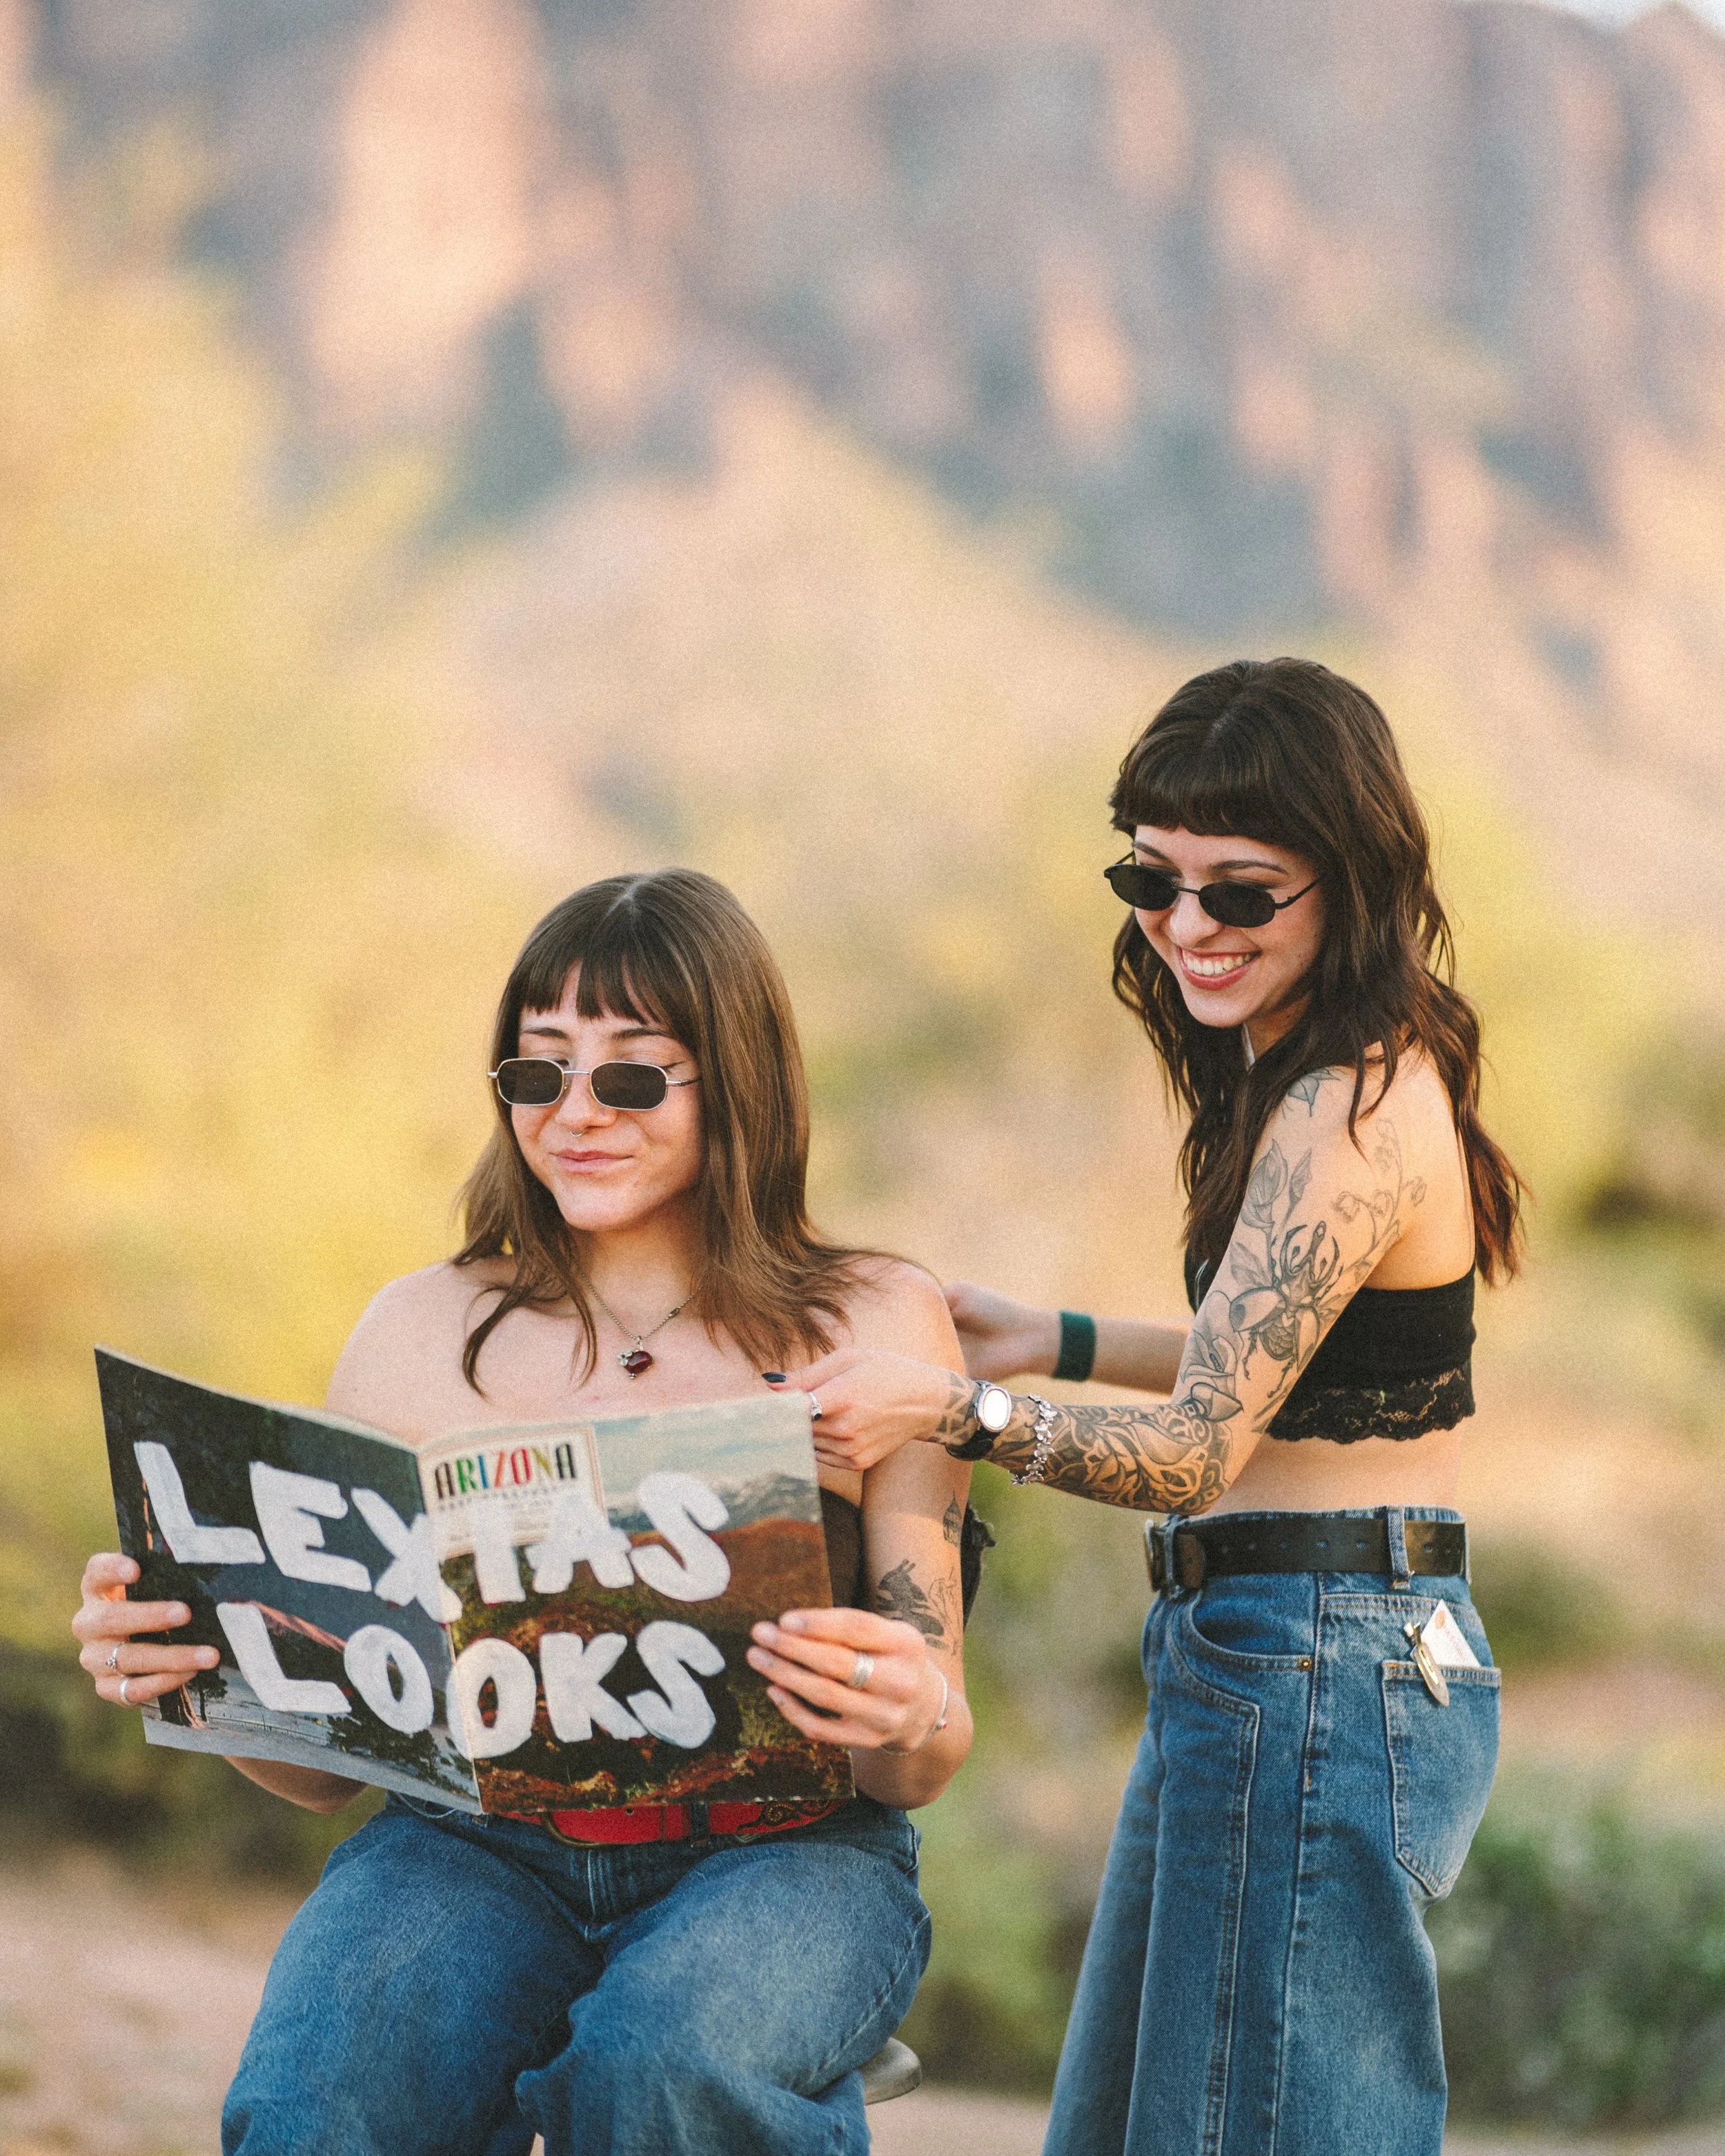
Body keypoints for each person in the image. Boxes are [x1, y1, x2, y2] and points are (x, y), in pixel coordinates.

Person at [72, 868, 973, 2156]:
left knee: (658, 2070)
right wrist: (209, 1673)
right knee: (314, 2109)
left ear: (741, 1083)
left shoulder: (876, 1318)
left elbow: (928, 1752)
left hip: (785, 1854)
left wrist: (906, 1706)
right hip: (471, 1848)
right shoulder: (416, 1331)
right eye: (538, 1073)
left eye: (632, 1076)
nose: (577, 1115)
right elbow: (328, 1776)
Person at [772, 659, 1521, 2156]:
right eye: (1149, 877)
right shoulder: (1314, 1070)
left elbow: (1192, 1449)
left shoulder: (1345, 1107)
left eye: (1238, 892)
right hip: (1273, 1653)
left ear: (1351, 879)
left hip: (1313, 1657)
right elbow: (1288, 1363)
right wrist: (1042, 1334)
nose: (1184, 925)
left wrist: (958, 1408)